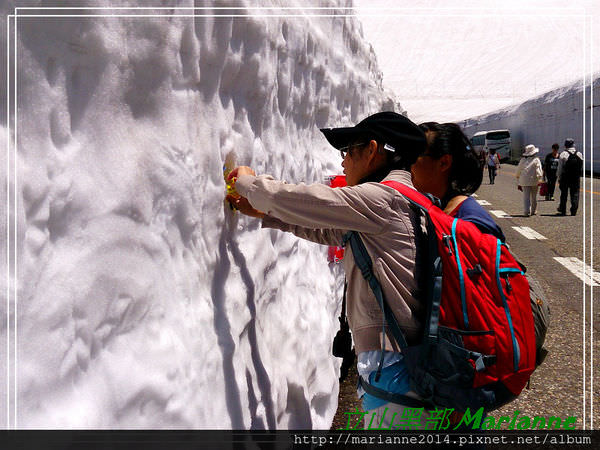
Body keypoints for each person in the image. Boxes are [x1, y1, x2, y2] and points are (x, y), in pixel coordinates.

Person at [226, 111, 429, 429]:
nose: (344, 162)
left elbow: (308, 201)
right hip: (408, 362)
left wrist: (249, 184)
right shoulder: (414, 202)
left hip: (395, 365)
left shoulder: (381, 199)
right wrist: (268, 214)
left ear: (372, 150)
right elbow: (332, 231)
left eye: (348, 150)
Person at [414, 122, 505, 241]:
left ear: (444, 162)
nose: (407, 163)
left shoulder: (472, 226)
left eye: (415, 155)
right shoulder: (438, 207)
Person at [556, 138, 583, 216]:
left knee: (564, 194)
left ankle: (563, 210)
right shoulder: (579, 154)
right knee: (575, 193)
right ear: (573, 145)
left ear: (565, 145)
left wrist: (559, 177)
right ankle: (574, 210)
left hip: (565, 177)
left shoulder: (563, 154)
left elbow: (560, 168)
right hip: (575, 177)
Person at [515, 145, 543, 216]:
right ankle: (533, 210)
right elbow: (539, 170)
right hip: (534, 180)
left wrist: (517, 176)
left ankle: (526, 211)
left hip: (524, 180)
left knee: (526, 196)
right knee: (534, 196)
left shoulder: (523, 160)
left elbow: (518, 170)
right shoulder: (536, 159)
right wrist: (540, 178)